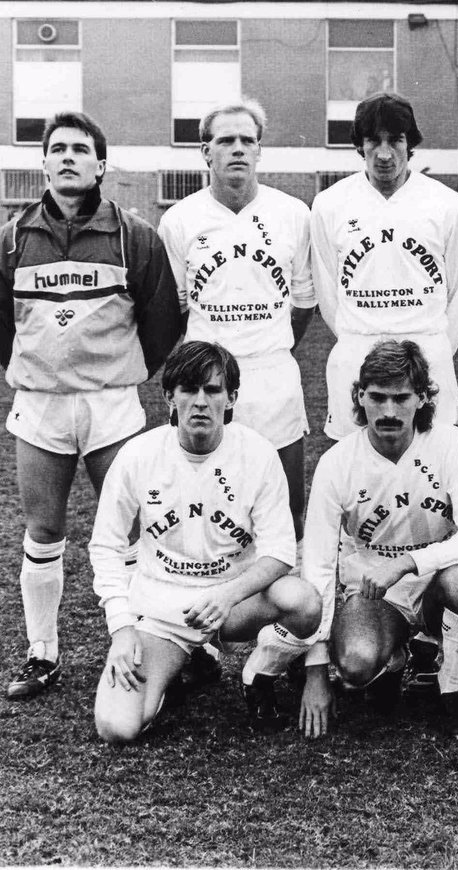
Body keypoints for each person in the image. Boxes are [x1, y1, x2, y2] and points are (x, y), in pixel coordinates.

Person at [0, 111, 182, 700]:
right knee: (43, 530)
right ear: (45, 163)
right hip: (42, 407)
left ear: (101, 165)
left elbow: (160, 323)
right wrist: (31, 370)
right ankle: (42, 652)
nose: (69, 157)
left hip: (111, 407)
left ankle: (146, 642)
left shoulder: (135, 234)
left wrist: (118, 373)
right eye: (59, 149)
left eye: (81, 149)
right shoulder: (12, 237)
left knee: (133, 530)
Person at [90, 342, 319, 743]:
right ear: (169, 397)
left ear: (231, 398)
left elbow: (281, 550)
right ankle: (184, 661)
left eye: (212, 391)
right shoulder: (138, 456)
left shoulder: (258, 454)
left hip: (235, 604)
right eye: (188, 390)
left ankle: (262, 669)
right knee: (117, 727)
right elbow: (105, 546)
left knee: (303, 603)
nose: (200, 402)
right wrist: (122, 630)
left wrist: (227, 596)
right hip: (164, 607)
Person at [301, 340, 458, 738]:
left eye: (402, 398)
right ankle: (396, 655)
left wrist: (406, 563)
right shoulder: (336, 463)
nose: (389, 411)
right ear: (359, 396)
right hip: (375, 592)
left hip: (436, 581)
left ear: (422, 398)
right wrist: (316, 672)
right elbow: (318, 565)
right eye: (378, 397)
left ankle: (454, 687)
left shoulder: (449, 444)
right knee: (354, 665)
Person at [157, 98, 315, 565]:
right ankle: (208, 609)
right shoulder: (180, 220)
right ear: (206, 153)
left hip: (273, 376)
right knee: (208, 502)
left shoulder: (292, 213)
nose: (238, 149)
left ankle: (296, 617)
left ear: (260, 150)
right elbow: (178, 308)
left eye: (248, 140)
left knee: (289, 505)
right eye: (226, 140)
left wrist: (268, 345)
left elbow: (303, 303)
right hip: (208, 382)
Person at [310, 92, 458, 441]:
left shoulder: (446, 204)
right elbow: (328, 292)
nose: (384, 154)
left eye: (395, 140)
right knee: (358, 470)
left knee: (431, 467)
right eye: (373, 141)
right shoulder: (329, 204)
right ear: (360, 145)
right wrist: (360, 337)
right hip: (357, 353)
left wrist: (434, 348)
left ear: (410, 143)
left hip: (427, 353)